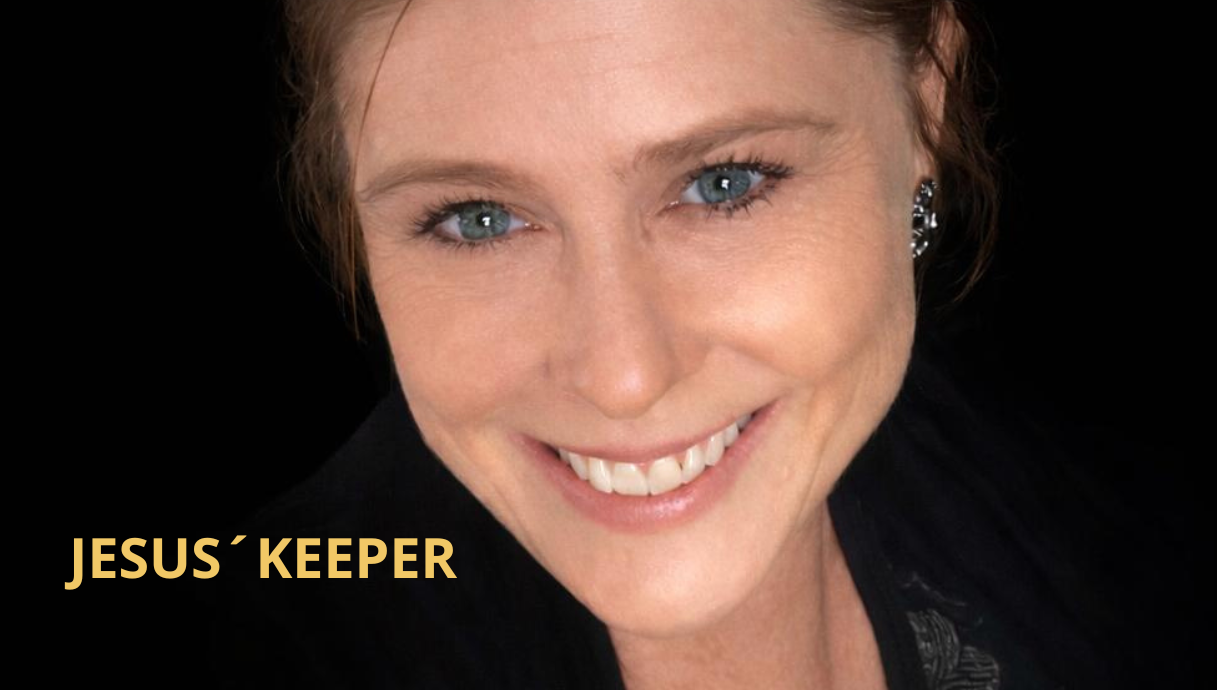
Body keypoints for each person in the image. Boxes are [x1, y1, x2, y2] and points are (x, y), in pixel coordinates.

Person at [207, 1, 1186, 688]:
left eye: (722, 184)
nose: (623, 377)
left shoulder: (1117, 530)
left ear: (923, 100)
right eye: (477, 219)